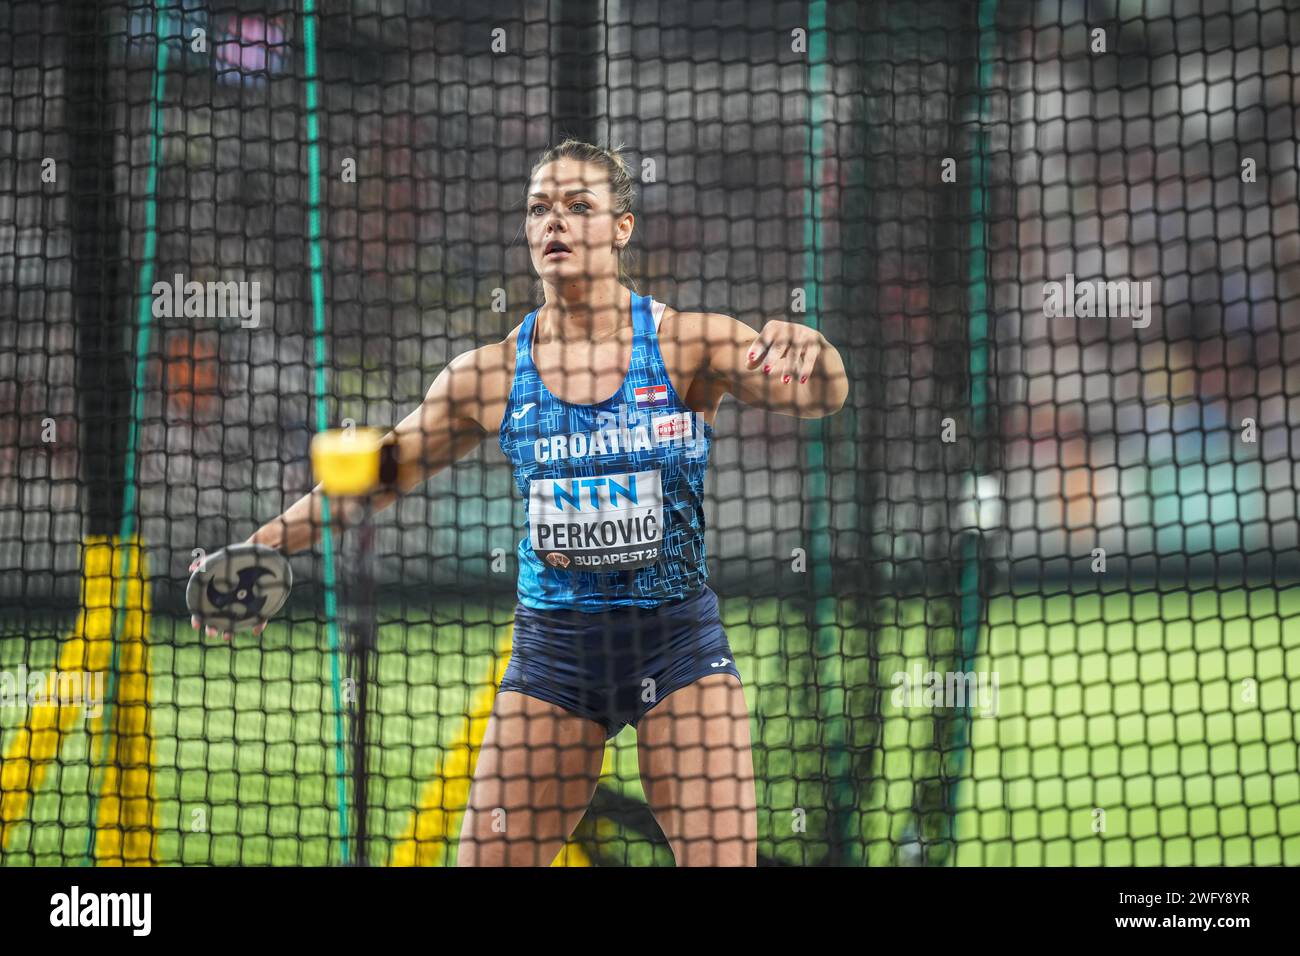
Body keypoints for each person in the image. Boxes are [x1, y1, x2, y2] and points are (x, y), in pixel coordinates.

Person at [195, 139, 848, 866]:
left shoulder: (686, 344)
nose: (554, 224)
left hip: (679, 645)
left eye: (578, 207)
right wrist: (260, 549)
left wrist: (812, 349)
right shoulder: (488, 376)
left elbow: (821, 396)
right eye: (539, 209)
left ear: (621, 228)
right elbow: (374, 478)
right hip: (556, 656)